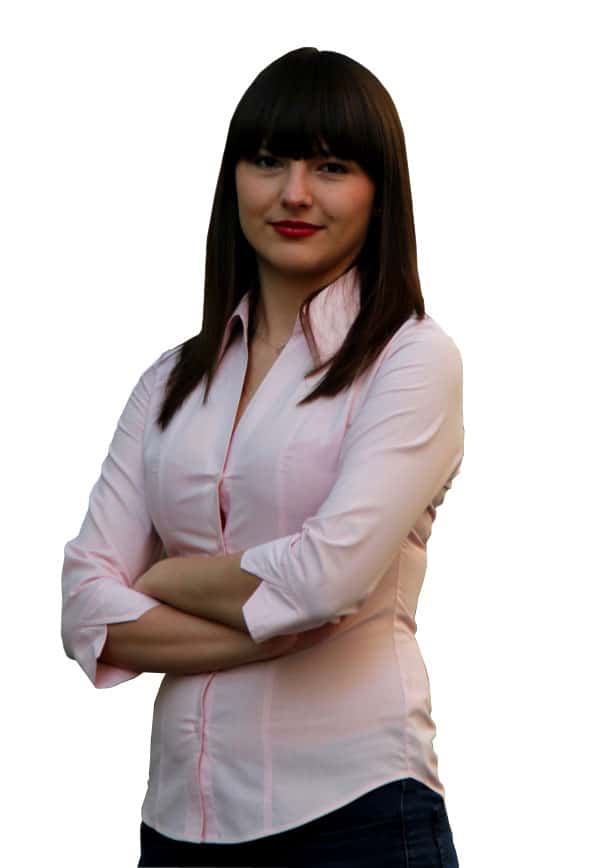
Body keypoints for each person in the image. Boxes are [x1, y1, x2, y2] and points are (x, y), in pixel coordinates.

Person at [61, 46, 463, 868]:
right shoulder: (169, 382)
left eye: (332, 166)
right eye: (269, 160)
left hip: (356, 817)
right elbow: (83, 608)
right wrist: (277, 632)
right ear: (234, 178)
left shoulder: (412, 360)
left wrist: (164, 579)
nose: (295, 193)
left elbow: (323, 578)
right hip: (179, 826)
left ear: (381, 191)